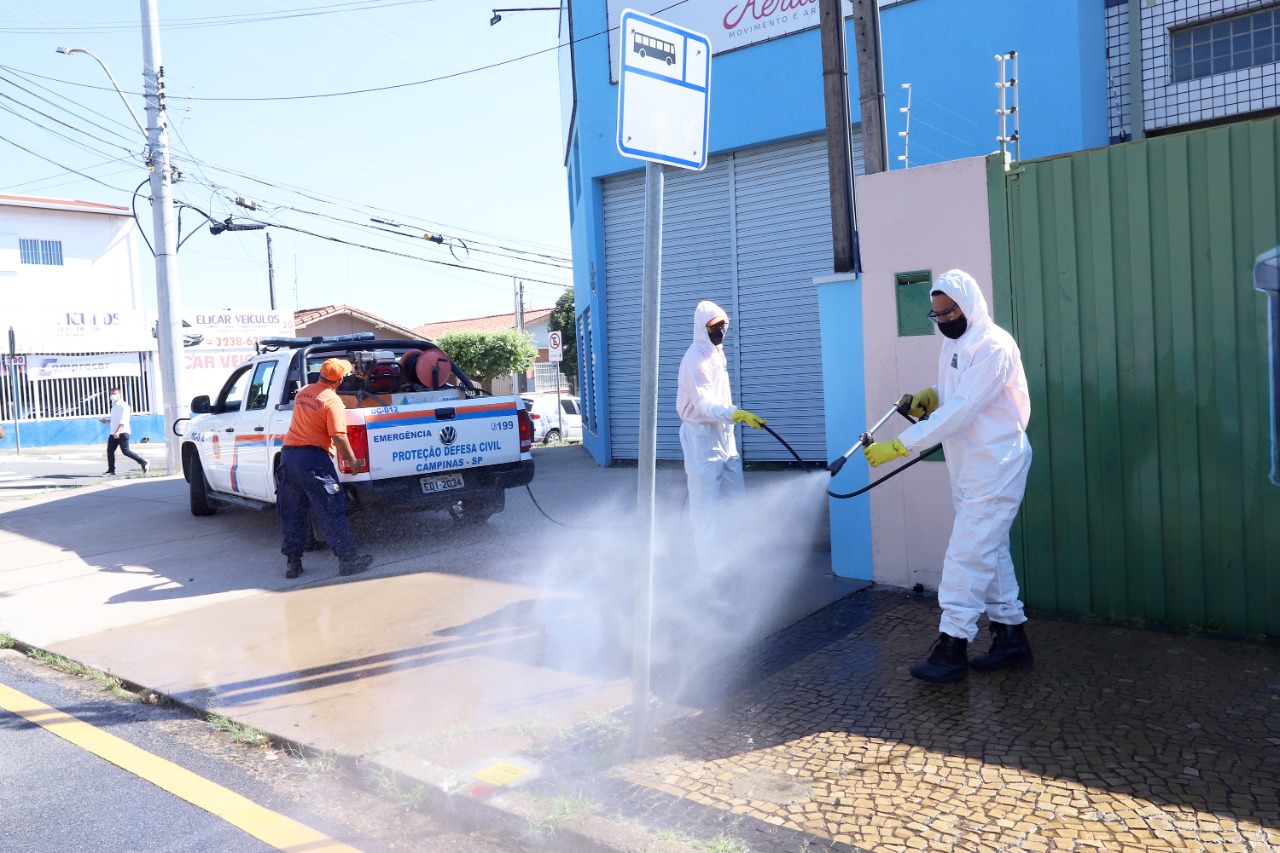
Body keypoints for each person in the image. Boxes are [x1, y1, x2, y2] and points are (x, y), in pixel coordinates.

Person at [863, 269, 1034, 683]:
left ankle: (952, 645)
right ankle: (1011, 636)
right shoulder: (955, 342)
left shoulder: (994, 345)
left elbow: (964, 407)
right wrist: (931, 394)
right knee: (988, 550)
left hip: (996, 462)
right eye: (936, 315)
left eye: (949, 312)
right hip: (969, 463)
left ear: (968, 305)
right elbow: (956, 391)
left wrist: (902, 444)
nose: (943, 320)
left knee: (966, 554)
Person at [676, 300, 767, 577]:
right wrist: (735, 413)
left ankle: (735, 558)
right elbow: (703, 405)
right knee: (706, 508)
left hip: (724, 436)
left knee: (735, 500)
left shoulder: (717, 353)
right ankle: (711, 569)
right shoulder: (694, 359)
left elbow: (718, 398)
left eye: (724, 325)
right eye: (715, 327)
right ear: (702, 328)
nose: (721, 331)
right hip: (701, 437)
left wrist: (732, 415)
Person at [276, 357, 373, 580]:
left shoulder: (304, 392)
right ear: (339, 380)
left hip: (288, 457)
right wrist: (352, 460)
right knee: (330, 510)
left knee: (293, 511)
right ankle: (348, 560)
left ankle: (293, 562)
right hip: (313, 460)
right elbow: (338, 435)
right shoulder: (333, 401)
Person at [100, 387, 147, 476]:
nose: (112, 396)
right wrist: (107, 421)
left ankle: (143, 462)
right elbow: (116, 419)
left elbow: (123, 420)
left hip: (122, 432)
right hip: (114, 432)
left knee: (125, 451)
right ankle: (111, 470)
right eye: (111, 394)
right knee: (110, 451)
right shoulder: (114, 406)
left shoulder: (124, 406)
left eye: (114, 394)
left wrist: (118, 431)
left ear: (119, 395)